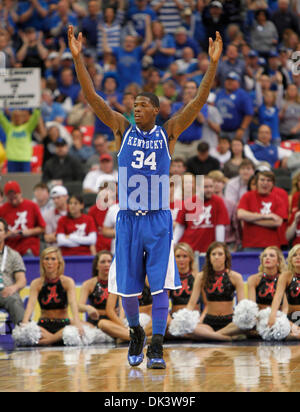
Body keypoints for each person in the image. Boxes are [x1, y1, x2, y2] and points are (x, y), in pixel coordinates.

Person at [68, 24, 223, 369]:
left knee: (160, 284)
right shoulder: (121, 128)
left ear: (154, 109)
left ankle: (156, 344)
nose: (135, 108)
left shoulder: (169, 131)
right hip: (127, 218)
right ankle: (136, 332)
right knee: (127, 285)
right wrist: (78, 60)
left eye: (141, 105)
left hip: (157, 218)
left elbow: (197, 100)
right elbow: (92, 96)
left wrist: (212, 65)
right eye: (133, 105)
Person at [14, 247, 84, 346]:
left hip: (63, 325)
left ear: (59, 262)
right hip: (44, 325)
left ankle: (49, 340)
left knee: (72, 333)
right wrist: (25, 323)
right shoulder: (36, 283)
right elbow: (30, 305)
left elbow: (73, 304)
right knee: (28, 332)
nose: (49, 262)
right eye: (46, 259)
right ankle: (55, 339)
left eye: (53, 259)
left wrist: (77, 323)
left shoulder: (67, 282)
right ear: (42, 262)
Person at [166, 242, 232, 342]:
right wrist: (170, 321)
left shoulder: (197, 277)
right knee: (166, 330)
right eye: (178, 256)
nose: (181, 259)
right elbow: (165, 305)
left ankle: (212, 335)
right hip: (176, 319)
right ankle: (214, 336)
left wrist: (200, 320)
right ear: (173, 258)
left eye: (184, 256)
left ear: (190, 258)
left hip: (195, 320)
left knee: (196, 329)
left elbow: (207, 305)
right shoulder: (170, 279)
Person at [219, 246, 289, 338]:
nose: (267, 258)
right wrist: (257, 320)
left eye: (271, 256)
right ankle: (215, 335)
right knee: (237, 326)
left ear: (278, 262)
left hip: (277, 319)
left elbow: (285, 308)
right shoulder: (254, 279)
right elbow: (253, 307)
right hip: (258, 319)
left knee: (289, 333)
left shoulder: (284, 279)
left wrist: (280, 321)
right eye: (265, 256)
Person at [186, 241, 245, 331]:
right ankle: (223, 336)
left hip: (229, 321)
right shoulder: (201, 276)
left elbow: (242, 305)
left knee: (241, 329)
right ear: (209, 257)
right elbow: (191, 304)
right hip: (209, 321)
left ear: (226, 257)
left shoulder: (236, 277)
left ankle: (215, 336)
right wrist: (183, 319)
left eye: (220, 254)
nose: (217, 257)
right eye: (213, 254)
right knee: (193, 330)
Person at [174, 175, 230, 253]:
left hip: (209, 250)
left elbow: (220, 226)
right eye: (205, 187)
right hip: (189, 248)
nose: (209, 190)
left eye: (211, 186)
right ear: (198, 188)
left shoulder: (218, 202)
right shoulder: (188, 202)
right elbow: (180, 225)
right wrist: (174, 242)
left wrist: (219, 246)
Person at [237, 170, 288, 251]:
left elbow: (277, 222)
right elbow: (240, 214)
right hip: (251, 245)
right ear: (257, 182)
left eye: (269, 180)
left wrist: (251, 219)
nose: (265, 183)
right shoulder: (247, 196)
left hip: (272, 245)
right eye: (262, 180)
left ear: (273, 184)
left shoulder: (278, 199)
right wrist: (266, 216)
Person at [0, 181, 46, 257]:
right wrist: (8, 234)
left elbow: (42, 228)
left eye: (15, 197)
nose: (13, 200)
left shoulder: (32, 206)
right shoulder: (2, 210)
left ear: (20, 193)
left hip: (28, 247)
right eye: (10, 199)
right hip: (9, 249)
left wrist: (29, 232)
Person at [0, 218, 27, 326]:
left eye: (0, 230)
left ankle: (24, 333)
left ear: (6, 233)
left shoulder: (13, 254)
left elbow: (22, 280)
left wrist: (13, 288)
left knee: (14, 300)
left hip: (5, 293)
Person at [268, 245, 300, 332]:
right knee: (278, 322)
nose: (297, 257)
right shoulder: (286, 276)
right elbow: (278, 297)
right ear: (290, 259)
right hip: (292, 318)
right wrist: (272, 314)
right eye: (294, 255)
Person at [0, 108, 40, 172]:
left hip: (25, 159)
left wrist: (38, 108)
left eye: (19, 116)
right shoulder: (9, 128)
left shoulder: (27, 128)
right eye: (15, 116)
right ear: (12, 118)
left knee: (25, 181)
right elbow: (1, 118)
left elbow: (35, 118)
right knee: (12, 180)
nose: (17, 118)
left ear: (23, 118)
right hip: (11, 159)